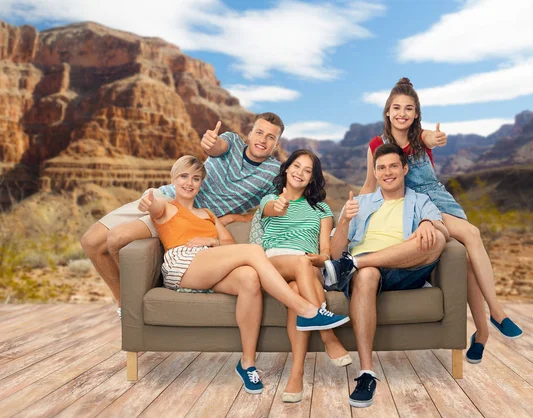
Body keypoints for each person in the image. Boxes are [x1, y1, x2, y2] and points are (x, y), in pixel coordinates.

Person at [141, 155, 350, 395]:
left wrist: (211, 240)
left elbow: (228, 242)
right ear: (173, 179)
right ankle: (307, 311)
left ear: (201, 183)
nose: (190, 183)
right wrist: (150, 203)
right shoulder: (167, 207)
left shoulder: (208, 214)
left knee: (250, 278)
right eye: (184, 176)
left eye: (196, 178)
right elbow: (155, 208)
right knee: (253, 252)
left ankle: (247, 364)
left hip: (209, 266)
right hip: (183, 262)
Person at [360, 78, 523, 366]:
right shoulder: (376, 145)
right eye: (396, 107)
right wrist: (353, 212)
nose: (402, 113)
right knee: (472, 234)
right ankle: (497, 314)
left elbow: (430, 139)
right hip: (410, 205)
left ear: (416, 113)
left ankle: (483, 332)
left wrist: (436, 139)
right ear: (387, 111)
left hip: (438, 198)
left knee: (468, 260)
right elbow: (369, 184)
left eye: (409, 108)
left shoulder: (421, 136)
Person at [80, 113, 284, 316]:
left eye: (270, 137)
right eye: (259, 132)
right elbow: (216, 147)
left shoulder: (274, 172)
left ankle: (129, 309)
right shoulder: (231, 141)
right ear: (250, 133)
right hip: (166, 197)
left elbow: (273, 208)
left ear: (276, 144)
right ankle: (123, 302)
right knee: (91, 241)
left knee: (119, 237)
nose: (262, 140)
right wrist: (210, 143)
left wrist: (236, 218)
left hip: (191, 217)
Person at [326, 143, 449, 408]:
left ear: (404, 169)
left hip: (404, 268)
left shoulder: (419, 200)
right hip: (366, 274)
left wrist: (428, 222)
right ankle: (367, 373)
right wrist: (345, 222)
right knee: (367, 274)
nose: (387, 172)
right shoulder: (359, 203)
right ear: (375, 172)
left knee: (437, 238)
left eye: (393, 166)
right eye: (381, 168)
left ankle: (357, 262)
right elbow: (336, 255)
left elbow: (443, 233)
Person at [258, 150, 351, 403]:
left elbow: (325, 253)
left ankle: (296, 374)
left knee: (299, 288)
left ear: (312, 178)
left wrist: (318, 259)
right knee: (300, 264)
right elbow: (270, 209)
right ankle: (328, 336)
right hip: (274, 263)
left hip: (308, 266)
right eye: (296, 166)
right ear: (287, 169)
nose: (300, 172)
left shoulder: (322, 209)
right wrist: (278, 205)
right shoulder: (270, 200)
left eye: (307, 170)